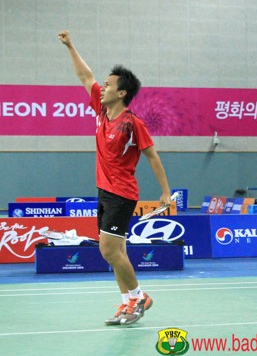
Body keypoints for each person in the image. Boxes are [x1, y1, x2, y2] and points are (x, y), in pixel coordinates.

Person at [58, 30, 172, 325]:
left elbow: (152, 157)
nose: (102, 87)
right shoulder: (101, 110)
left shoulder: (133, 123)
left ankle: (140, 296)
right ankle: (126, 303)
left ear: (122, 93)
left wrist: (165, 193)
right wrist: (71, 46)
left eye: (108, 85)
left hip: (122, 193)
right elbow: (85, 76)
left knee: (108, 249)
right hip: (103, 189)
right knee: (116, 251)